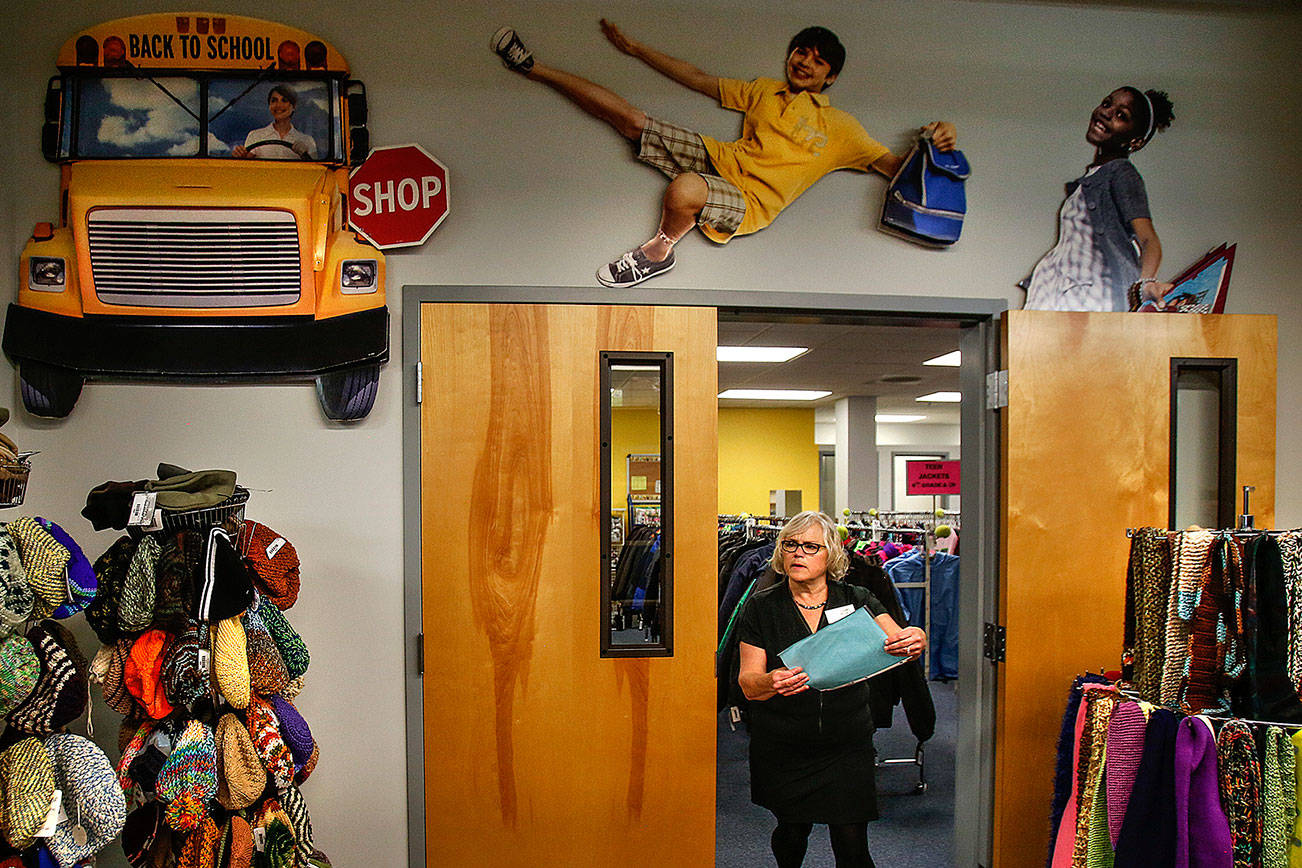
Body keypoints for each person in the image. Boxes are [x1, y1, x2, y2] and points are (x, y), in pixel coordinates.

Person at [491, 22, 957, 288]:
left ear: (829, 77)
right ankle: (532, 67)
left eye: (817, 61)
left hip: (750, 204)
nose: (804, 62)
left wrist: (942, 138)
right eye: (801, 52)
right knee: (632, 120)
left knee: (686, 189)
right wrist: (635, 49)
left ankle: (660, 249)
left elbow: (902, 173)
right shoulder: (764, 91)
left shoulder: (842, 129)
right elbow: (694, 76)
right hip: (718, 158)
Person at [735, 510, 926, 868]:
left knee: (853, 848)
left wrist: (918, 637)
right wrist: (770, 681)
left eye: (810, 546)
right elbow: (748, 684)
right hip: (784, 744)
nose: (798, 553)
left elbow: (900, 640)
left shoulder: (857, 599)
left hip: (846, 742)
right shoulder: (762, 606)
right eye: (790, 544)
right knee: (792, 835)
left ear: (831, 556)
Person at [1022, 87, 1175, 311]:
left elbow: (1149, 240)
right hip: (1065, 287)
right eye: (1106, 104)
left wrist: (1143, 286)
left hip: (1092, 293)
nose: (1107, 113)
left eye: (1121, 115)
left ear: (1136, 142)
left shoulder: (1121, 173)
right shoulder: (1092, 177)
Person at [232, 84, 317, 160]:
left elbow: (317, 171)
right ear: (269, 106)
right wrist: (240, 155)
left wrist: (304, 156)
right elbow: (247, 166)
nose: (278, 105)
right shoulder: (255, 136)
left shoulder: (307, 141)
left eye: (284, 100)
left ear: (293, 106)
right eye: (274, 101)